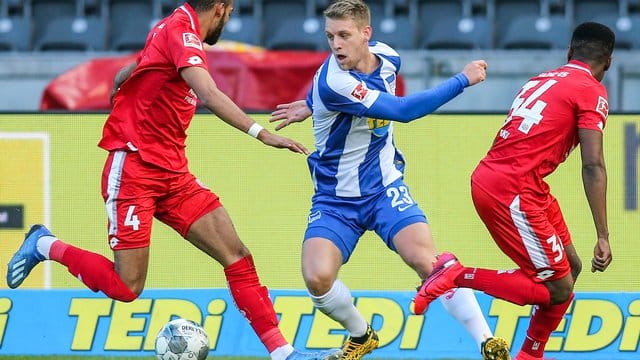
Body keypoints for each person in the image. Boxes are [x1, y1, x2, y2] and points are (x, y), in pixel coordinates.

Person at [5, 1, 342, 359]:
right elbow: (209, 93)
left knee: (237, 255)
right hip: (134, 170)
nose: (229, 22)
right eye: (231, 14)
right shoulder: (182, 33)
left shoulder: (174, 28)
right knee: (127, 286)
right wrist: (261, 133)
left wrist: (124, 81)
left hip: (173, 175)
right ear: (223, 8)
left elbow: (137, 67)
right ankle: (45, 245)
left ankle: (283, 353)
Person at [269, 1, 509, 359]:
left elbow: (371, 99)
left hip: (384, 188)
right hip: (336, 199)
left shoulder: (388, 58)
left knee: (431, 264)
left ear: (367, 34)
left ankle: (488, 342)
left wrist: (310, 103)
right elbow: (403, 111)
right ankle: (361, 334)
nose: (336, 45)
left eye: (344, 35)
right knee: (317, 278)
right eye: (330, 36)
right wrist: (463, 80)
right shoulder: (335, 81)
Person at [414, 22, 615, 360]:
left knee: (570, 266)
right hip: (513, 190)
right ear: (608, 63)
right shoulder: (591, 90)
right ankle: (458, 274)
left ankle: (530, 354)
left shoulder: (542, 79)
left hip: (516, 181)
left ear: (569, 52)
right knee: (557, 287)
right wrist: (603, 234)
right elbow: (592, 164)